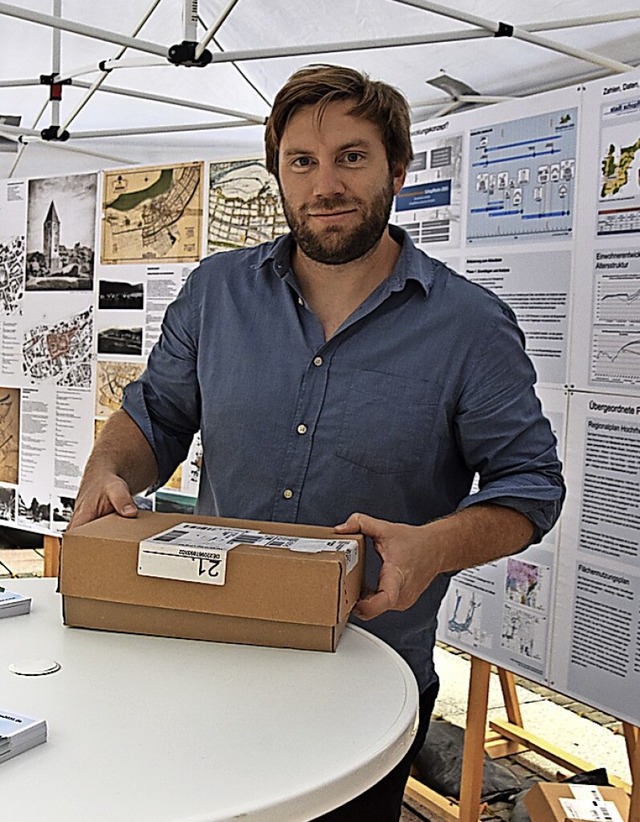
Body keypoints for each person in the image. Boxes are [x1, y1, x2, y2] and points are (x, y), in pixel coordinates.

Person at [70, 64, 565, 821]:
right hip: (206, 652)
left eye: (352, 158)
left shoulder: (469, 326)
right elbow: (158, 414)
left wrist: (431, 548)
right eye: (301, 161)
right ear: (278, 174)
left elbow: (530, 486)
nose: (324, 183)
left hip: (365, 678)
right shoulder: (216, 293)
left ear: (397, 170)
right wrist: (111, 466)